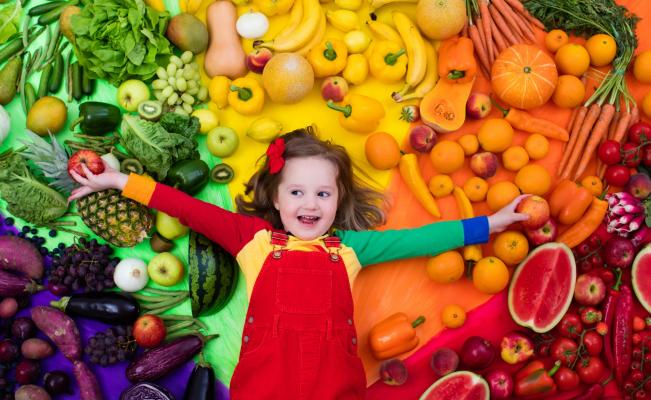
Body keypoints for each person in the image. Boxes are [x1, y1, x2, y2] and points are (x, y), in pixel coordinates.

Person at [69, 127, 528, 400]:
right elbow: (188, 209)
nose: (310, 205)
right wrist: (116, 180)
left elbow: (421, 239)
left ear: (338, 198)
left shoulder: (350, 248)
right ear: (274, 196)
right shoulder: (252, 241)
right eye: (297, 192)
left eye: (323, 194)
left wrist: (491, 224)